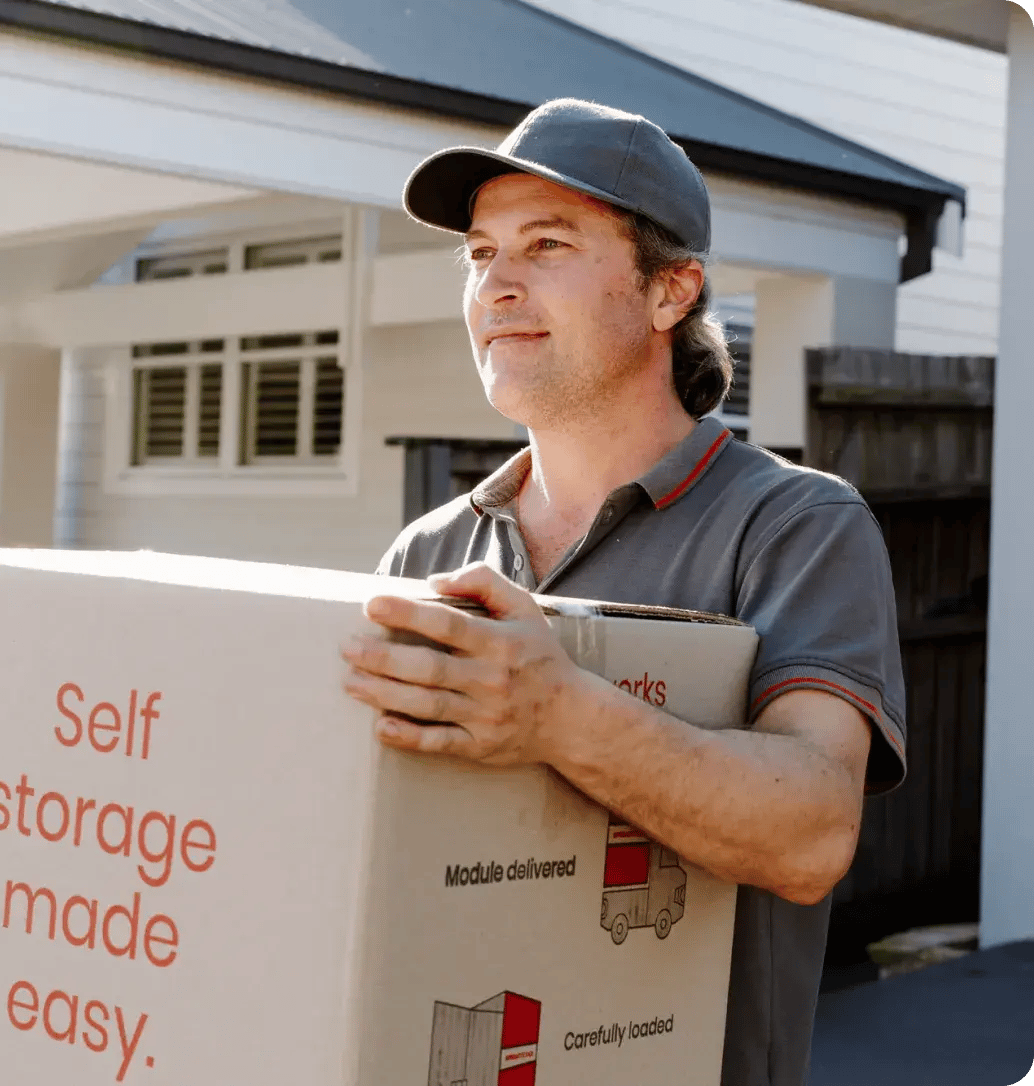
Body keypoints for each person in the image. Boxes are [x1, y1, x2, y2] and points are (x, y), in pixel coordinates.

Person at [339, 98, 906, 1086]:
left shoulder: (793, 527)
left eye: (546, 245)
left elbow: (813, 833)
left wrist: (559, 713)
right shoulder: (428, 550)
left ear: (668, 291)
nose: (496, 285)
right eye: (479, 254)